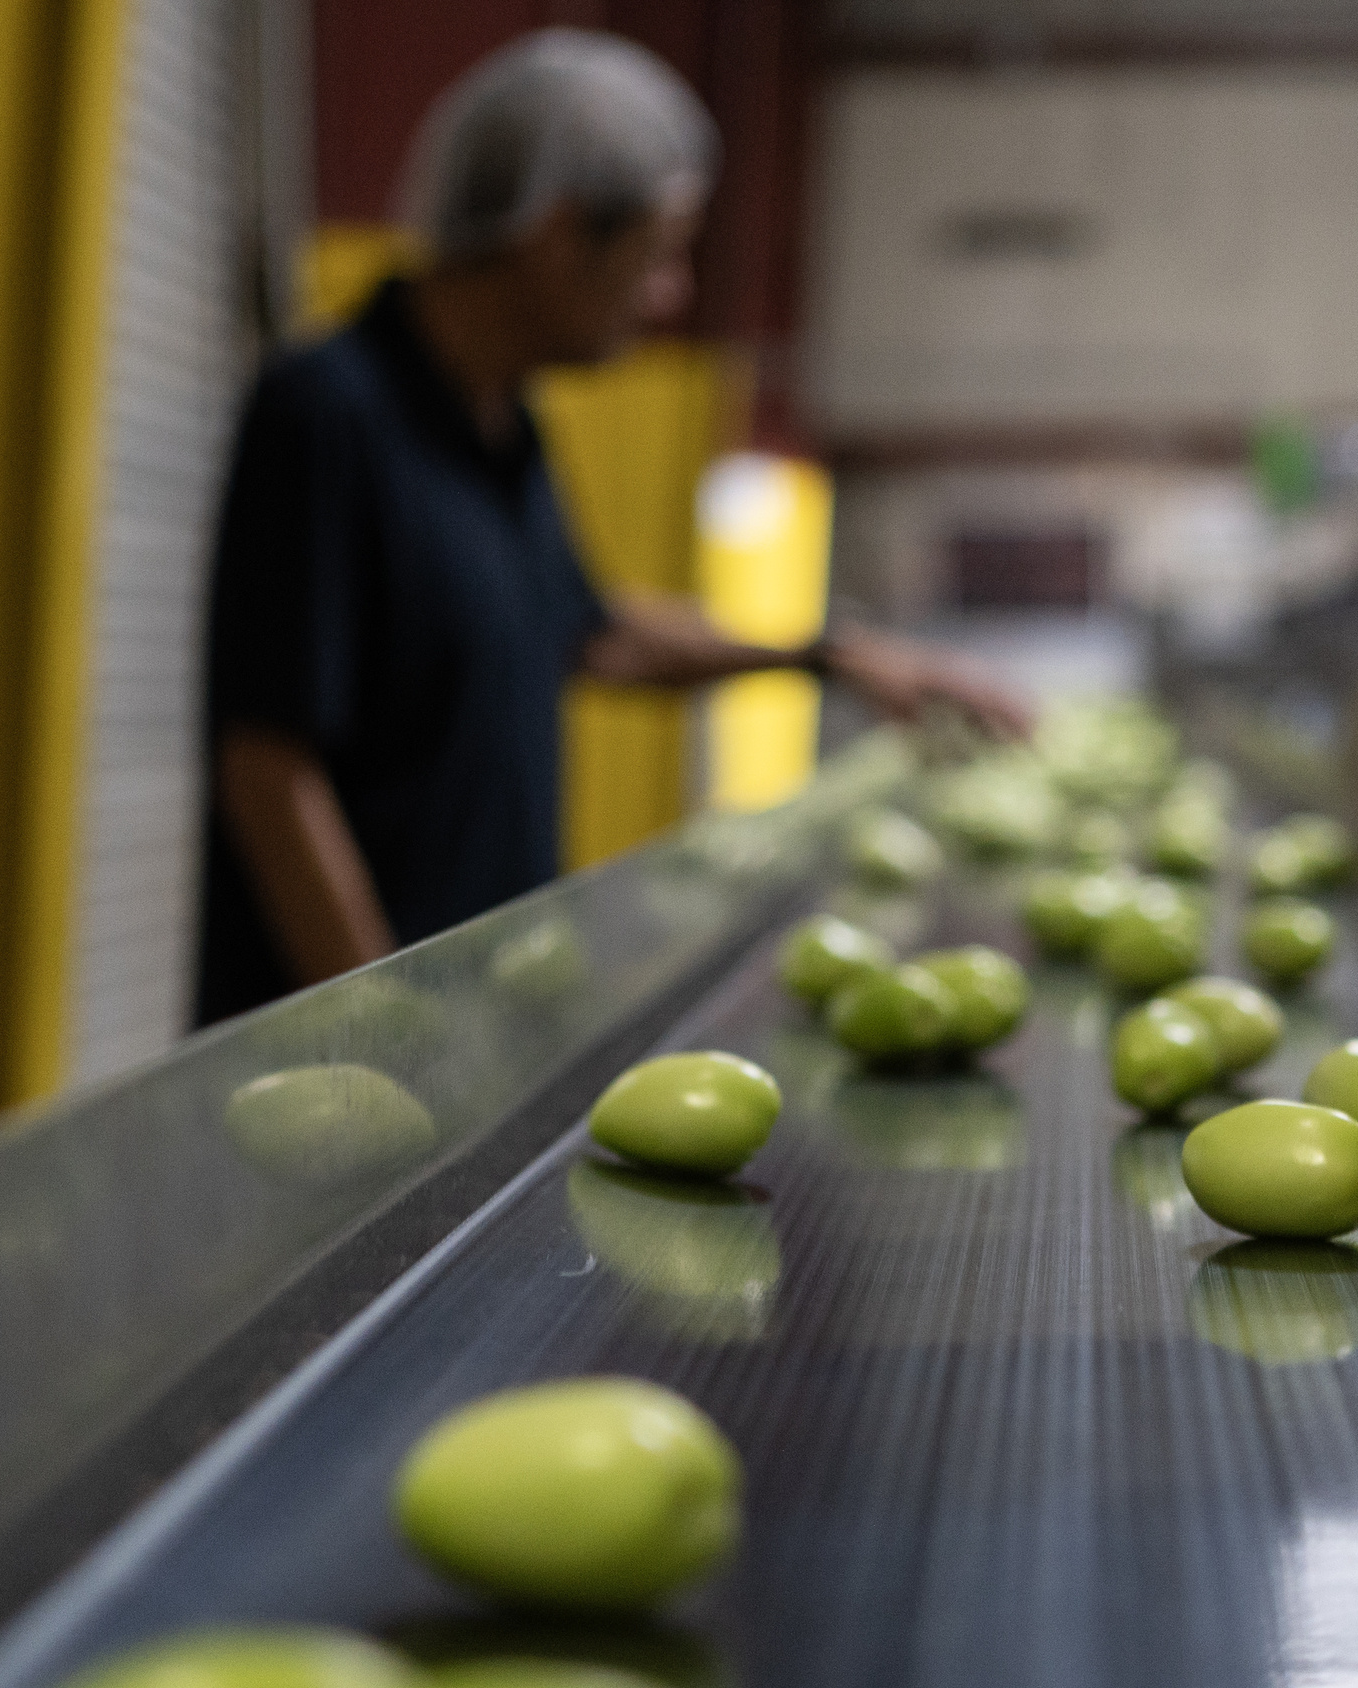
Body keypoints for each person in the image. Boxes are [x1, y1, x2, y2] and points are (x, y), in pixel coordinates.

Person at [197, 30, 1025, 1026]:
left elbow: (598, 633)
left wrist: (834, 655)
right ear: (556, 235)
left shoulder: (505, 426)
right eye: (658, 256)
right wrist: (381, 1027)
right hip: (333, 1074)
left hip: (470, 1030)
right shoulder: (325, 413)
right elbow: (270, 770)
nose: (667, 296)